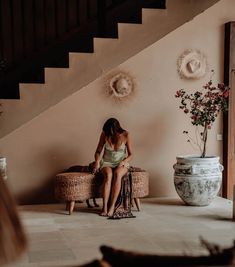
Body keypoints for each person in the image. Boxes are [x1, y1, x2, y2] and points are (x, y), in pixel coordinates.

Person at [93, 118, 133, 217]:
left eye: (111, 131)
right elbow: (98, 151)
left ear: (116, 129)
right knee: (108, 175)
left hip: (121, 163)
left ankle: (112, 206)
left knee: (118, 174)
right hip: (107, 162)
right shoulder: (104, 134)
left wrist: (124, 161)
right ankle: (105, 207)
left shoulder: (126, 135)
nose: (109, 133)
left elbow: (131, 154)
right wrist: (97, 162)